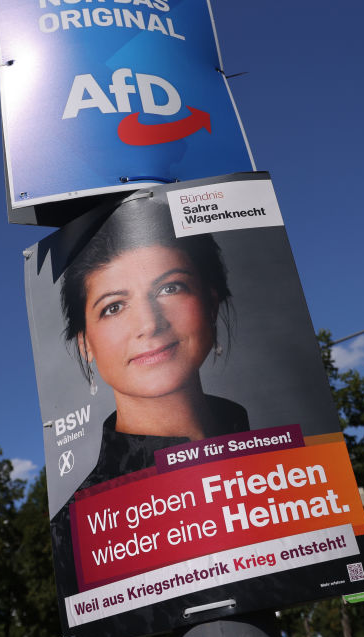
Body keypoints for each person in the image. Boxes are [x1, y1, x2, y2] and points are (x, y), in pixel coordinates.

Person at [59, 194, 249, 488]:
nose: (149, 324)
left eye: (170, 288)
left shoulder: (296, 458)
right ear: (85, 345)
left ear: (211, 303)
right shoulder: (85, 520)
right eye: (114, 307)